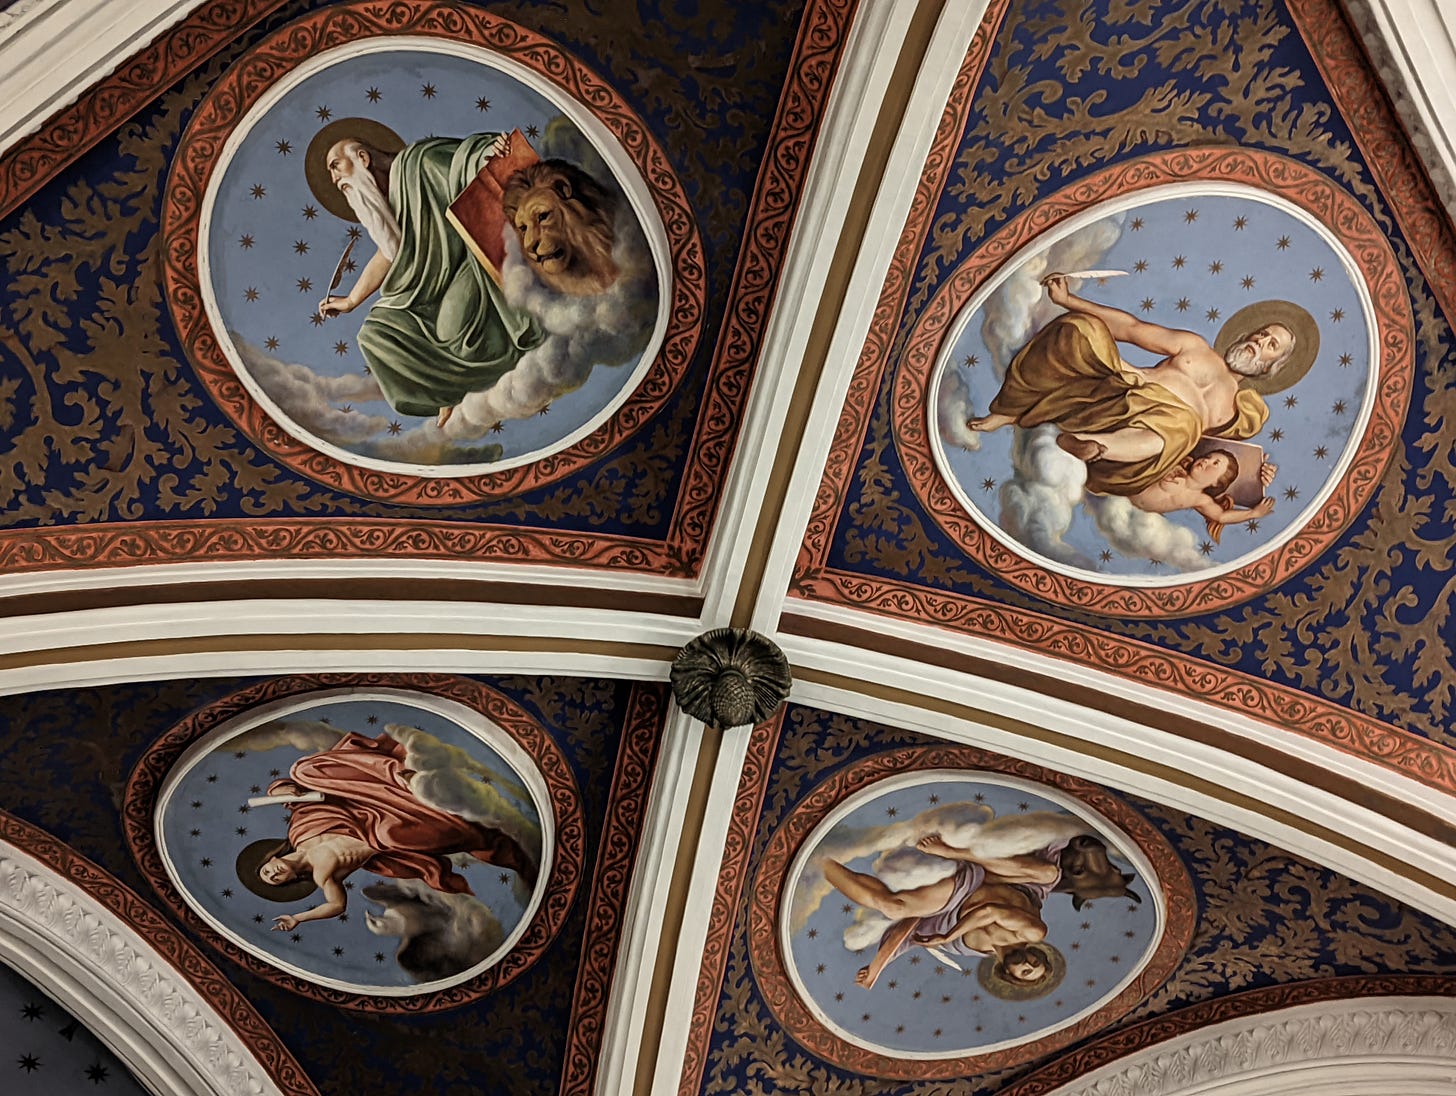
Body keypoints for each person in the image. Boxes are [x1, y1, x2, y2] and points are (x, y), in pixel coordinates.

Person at [967, 274, 1315, 497]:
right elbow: (1130, 328)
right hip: (1121, 392)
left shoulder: (1242, 414)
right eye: (1261, 334)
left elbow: (1217, 463)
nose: (1259, 342)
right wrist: (1068, 301)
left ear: (1272, 366)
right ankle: (1010, 410)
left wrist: (1257, 475)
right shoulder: (1195, 347)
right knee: (1082, 328)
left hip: (1144, 450)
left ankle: (1094, 445)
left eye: (1271, 345)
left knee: (1185, 425)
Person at [307, 119, 544, 428]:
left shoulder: (417, 162)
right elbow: (390, 252)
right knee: (376, 332)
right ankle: (446, 392)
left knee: (449, 329)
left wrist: (489, 153)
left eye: (336, 166)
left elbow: (462, 164)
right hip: (433, 284)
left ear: (362, 158)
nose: (334, 178)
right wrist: (351, 300)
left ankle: (489, 379)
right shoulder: (389, 204)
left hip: (474, 262)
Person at [235, 731, 538, 933]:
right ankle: (464, 816)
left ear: (269, 858)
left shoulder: (299, 832)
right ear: (289, 882)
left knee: (303, 770)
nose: (273, 874)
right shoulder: (322, 876)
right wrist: (298, 918)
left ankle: (397, 774)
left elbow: (302, 799)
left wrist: (282, 789)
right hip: (386, 834)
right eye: (274, 880)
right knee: (395, 834)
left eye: (267, 871)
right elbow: (336, 905)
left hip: (370, 805)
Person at [823, 832, 1136, 989]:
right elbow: (991, 911)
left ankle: (819, 863)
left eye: (1027, 971)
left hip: (958, 894)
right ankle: (952, 850)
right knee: (1048, 874)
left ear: (1009, 974)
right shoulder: (1034, 932)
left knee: (893, 907)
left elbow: (911, 932)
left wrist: (877, 968)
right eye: (1036, 962)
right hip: (1008, 878)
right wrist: (948, 935)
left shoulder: (966, 949)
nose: (1029, 962)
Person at [1128, 449, 1278, 541]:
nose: (1207, 460)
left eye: (1215, 463)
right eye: (1209, 456)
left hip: (1131, 512)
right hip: (1123, 492)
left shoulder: (1200, 499)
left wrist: (1253, 513)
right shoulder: (1177, 465)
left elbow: (1221, 516)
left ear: (1216, 482)